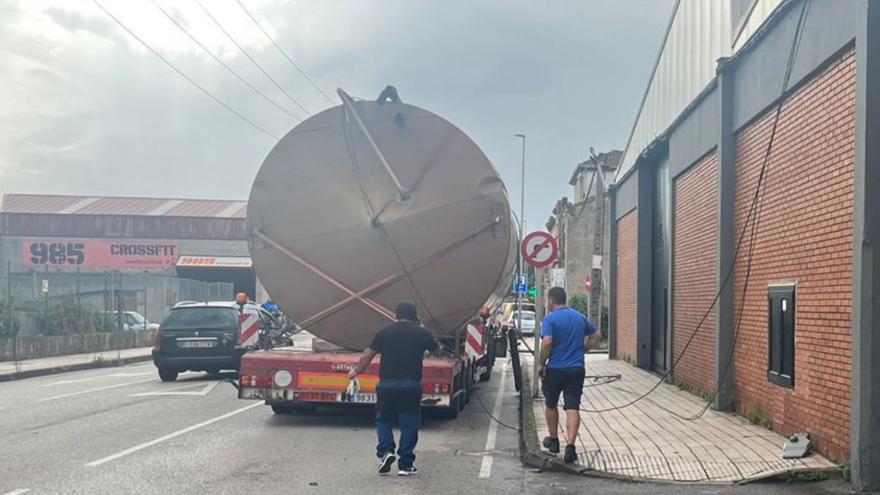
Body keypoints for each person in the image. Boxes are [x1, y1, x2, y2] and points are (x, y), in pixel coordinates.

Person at [348, 301, 442, 476]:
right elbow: (438, 351)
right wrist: (422, 328)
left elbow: (369, 353)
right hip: (410, 386)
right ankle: (405, 464)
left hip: (387, 385)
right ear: (415, 317)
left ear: (395, 315)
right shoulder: (421, 333)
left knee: (383, 419)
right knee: (409, 423)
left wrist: (356, 371)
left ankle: (386, 451)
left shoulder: (385, 332)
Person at [537, 286, 600, 464]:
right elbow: (597, 335)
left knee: (551, 404)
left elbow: (547, 342)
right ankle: (570, 447)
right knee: (573, 407)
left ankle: (554, 441)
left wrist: (542, 363)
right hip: (576, 369)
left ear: (551, 300)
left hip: (556, 369)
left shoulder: (550, 318)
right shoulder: (579, 317)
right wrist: (585, 348)